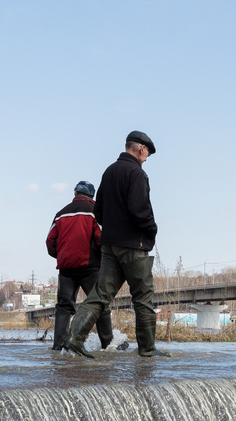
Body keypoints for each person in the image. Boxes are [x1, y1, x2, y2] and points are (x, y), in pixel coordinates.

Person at [66, 131, 169, 358]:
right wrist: (152, 229)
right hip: (134, 245)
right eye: (147, 154)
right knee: (143, 298)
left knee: (100, 295)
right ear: (141, 148)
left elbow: (99, 211)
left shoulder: (109, 171)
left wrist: (113, 229)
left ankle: (74, 338)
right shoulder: (137, 174)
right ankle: (148, 349)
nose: (146, 158)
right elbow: (139, 210)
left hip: (110, 245)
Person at [46, 181, 116, 351]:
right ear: (92, 196)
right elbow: (102, 239)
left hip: (66, 268)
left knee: (64, 307)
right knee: (100, 304)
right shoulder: (94, 212)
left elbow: (49, 241)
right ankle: (108, 344)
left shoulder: (60, 214)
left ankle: (59, 346)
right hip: (90, 267)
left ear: (75, 193)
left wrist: (62, 256)